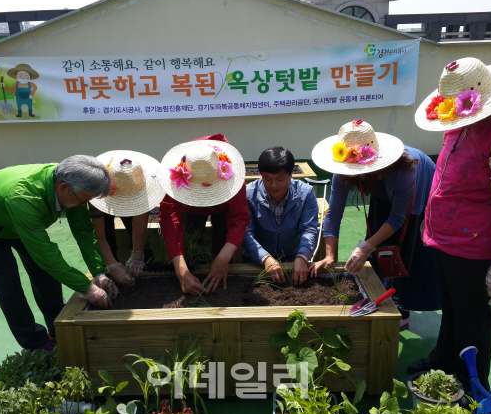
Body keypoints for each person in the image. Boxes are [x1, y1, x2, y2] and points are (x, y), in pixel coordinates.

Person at [409, 57, 491, 392]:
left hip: (473, 241)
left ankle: (474, 385)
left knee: (473, 317)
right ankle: (444, 357)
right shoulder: (457, 118)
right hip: (443, 234)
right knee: (451, 306)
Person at [0, 155, 119, 351]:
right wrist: (88, 289)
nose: (83, 205)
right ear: (63, 187)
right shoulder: (24, 196)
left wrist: (98, 272)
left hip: (16, 219)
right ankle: (35, 344)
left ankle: (58, 328)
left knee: (45, 274)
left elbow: (84, 232)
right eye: (82, 201)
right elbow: (45, 253)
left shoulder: (74, 190)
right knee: (7, 280)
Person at [309, 120, 440, 328]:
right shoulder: (343, 170)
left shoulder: (404, 173)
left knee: (405, 243)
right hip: (381, 186)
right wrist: (330, 255)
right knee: (378, 234)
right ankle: (380, 293)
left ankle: (401, 308)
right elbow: (333, 214)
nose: (349, 172)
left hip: (419, 189)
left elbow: (398, 218)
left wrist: (366, 246)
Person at [158, 134, 250, 295]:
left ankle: (219, 270)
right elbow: (169, 217)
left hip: (223, 207)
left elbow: (239, 216)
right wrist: (181, 271)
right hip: (190, 208)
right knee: (191, 240)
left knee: (222, 239)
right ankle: (193, 272)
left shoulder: (232, 176)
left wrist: (224, 257)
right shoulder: (174, 178)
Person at [88, 150, 166, 287]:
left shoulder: (139, 183)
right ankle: (110, 276)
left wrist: (137, 254)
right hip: (104, 199)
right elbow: (99, 237)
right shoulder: (95, 192)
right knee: (107, 239)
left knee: (139, 243)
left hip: (130, 190)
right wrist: (112, 265)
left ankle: (140, 264)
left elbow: (139, 226)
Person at [242, 146, 319, 286]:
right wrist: (265, 258)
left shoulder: (306, 193)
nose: (273, 185)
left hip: (293, 259)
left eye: (280, 179)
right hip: (257, 263)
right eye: (267, 179)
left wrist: (302, 257)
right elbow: (246, 234)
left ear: (291, 174)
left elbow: (309, 229)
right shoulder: (249, 194)